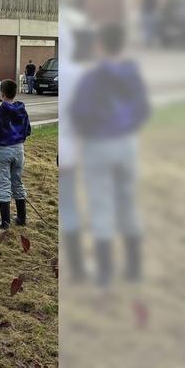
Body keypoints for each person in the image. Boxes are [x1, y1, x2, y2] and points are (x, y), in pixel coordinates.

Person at [70, 23, 150, 287]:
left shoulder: (93, 77)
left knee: (101, 204)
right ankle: (134, 266)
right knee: (128, 201)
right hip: (127, 143)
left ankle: (105, 272)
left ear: (101, 45)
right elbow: (143, 110)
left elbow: (80, 112)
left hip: (99, 145)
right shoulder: (133, 73)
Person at [0, 79, 31, 229]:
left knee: (3, 184)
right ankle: (21, 217)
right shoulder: (22, 110)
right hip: (19, 149)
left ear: (2, 94)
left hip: (2, 150)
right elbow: (28, 130)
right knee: (17, 182)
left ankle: (5, 222)